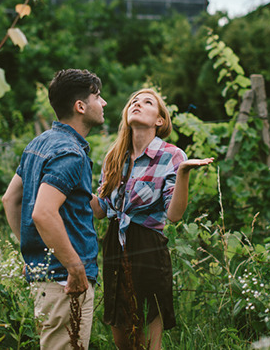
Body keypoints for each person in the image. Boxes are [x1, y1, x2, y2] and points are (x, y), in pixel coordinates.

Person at [90, 88, 213, 350]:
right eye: (134, 101)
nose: (138, 104)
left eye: (147, 102)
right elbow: (100, 209)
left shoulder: (172, 155)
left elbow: (174, 214)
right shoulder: (113, 156)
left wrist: (183, 174)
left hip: (147, 245)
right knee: (121, 338)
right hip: (114, 243)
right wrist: (75, 183)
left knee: (146, 341)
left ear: (160, 120)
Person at [2, 68, 106, 349]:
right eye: (97, 96)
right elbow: (43, 212)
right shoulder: (70, 154)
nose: (104, 103)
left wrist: (32, 253)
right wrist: (75, 267)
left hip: (46, 274)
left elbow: (10, 199)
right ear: (80, 106)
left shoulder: (40, 142)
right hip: (66, 280)